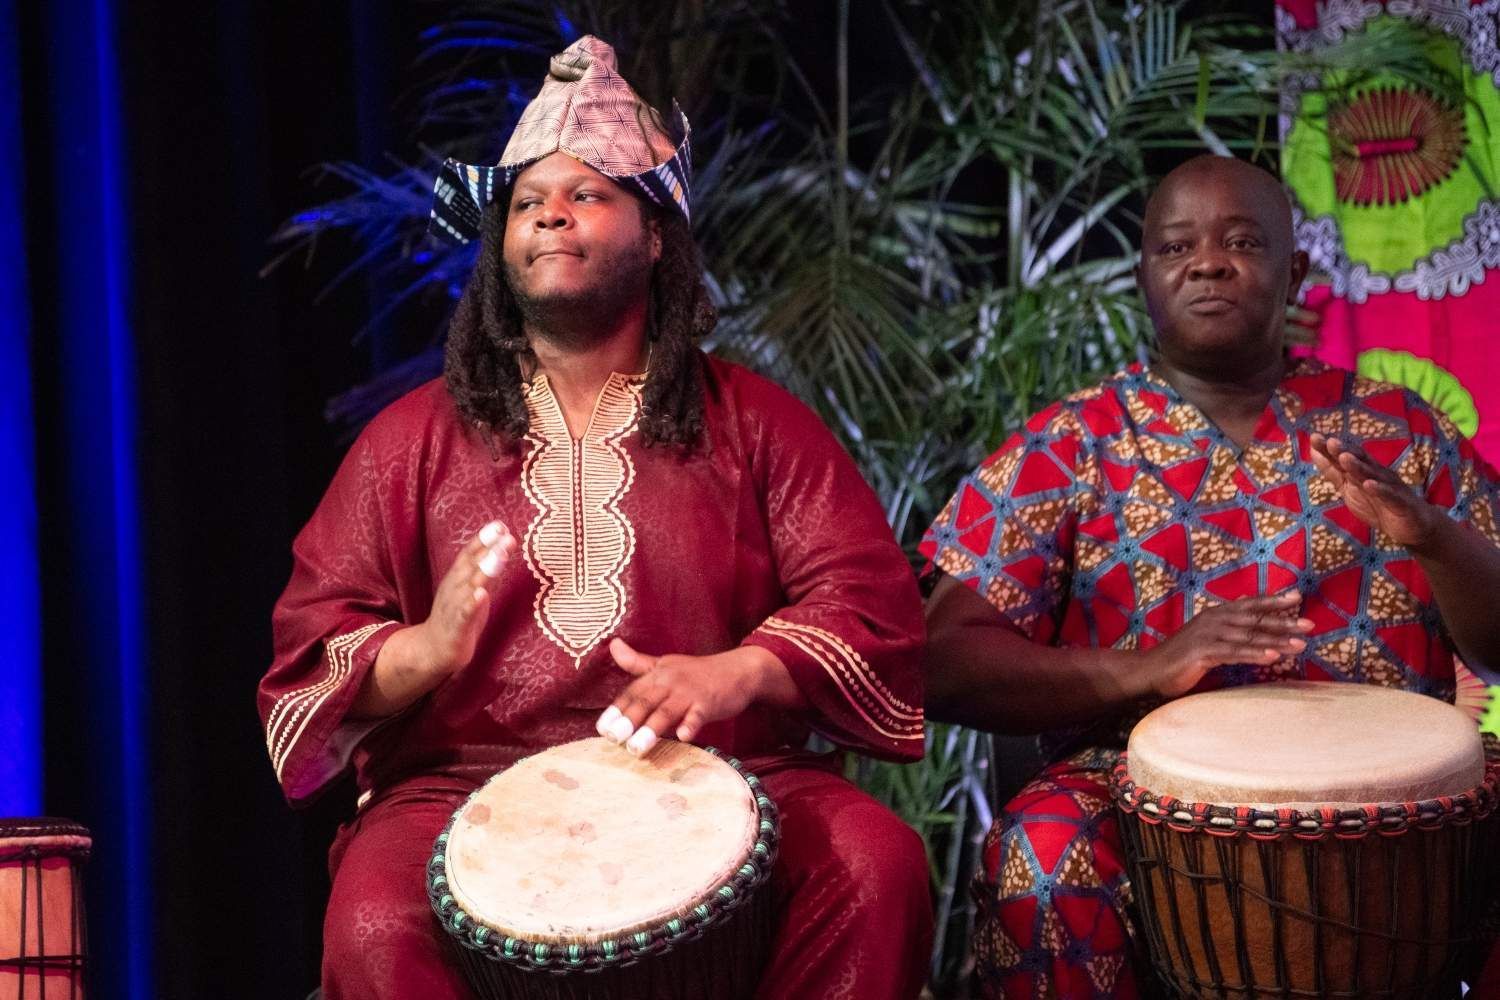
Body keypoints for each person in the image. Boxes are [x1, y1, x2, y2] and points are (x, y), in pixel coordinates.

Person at [259, 36, 932, 1000]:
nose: (550, 214)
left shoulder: (755, 422)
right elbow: (311, 650)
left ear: (656, 235)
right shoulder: (408, 442)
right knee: (372, 920)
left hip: (723, 770)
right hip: (461, 785)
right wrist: (429, 648)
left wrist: (739, 671)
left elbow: (867, 601)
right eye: (527, 202)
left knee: (874, 861)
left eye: (587, 193)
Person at [920, 154, 1500, 998]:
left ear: (1294, 272)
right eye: (1175, 246)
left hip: (1398, 795)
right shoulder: (1070, 444)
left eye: (1242, 242)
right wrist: (1150, 667)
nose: (1208, 264)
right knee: (1038, 857)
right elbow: (943, 662)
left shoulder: (1396, 429)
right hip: (1132, 791)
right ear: (1144, 275)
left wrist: (1438, 540)